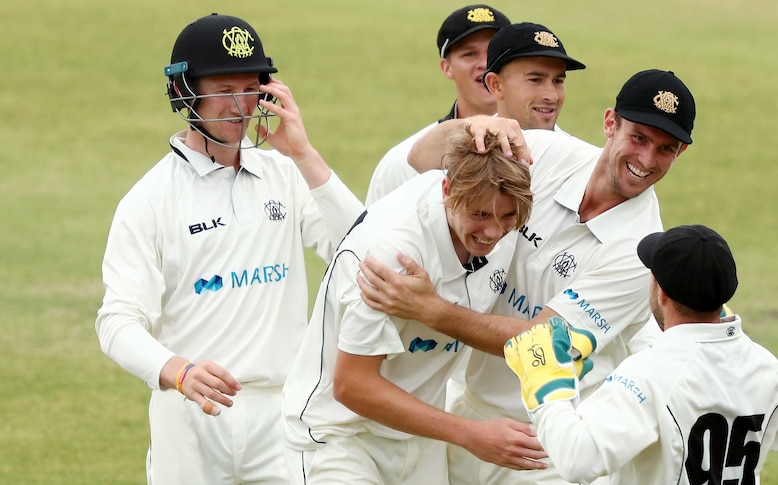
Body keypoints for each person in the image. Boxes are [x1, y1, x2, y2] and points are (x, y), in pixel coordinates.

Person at [358, 69, 696, 484]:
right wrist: (470, 126)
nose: (647, 160)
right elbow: (420, 159)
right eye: (639, 138)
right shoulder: (546, 153)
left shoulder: (641, 250)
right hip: (468, 409)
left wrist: (432, 310)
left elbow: (541, 340)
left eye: (666, 149)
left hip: (546, 446)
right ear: (611, 123)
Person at [93, 13, 364, 485]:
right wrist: (176, 370)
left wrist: (303, 152)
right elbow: (116, 322)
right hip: (189, 414)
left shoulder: (286, 175)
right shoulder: (149, 200)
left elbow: (361, 249)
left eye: (251, 88)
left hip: (282, 413)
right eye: (224, 90)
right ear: (183, 93)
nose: (241, 106)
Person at [281, 130, 539, 483]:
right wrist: (471, 434)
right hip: (340, 436)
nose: (493, 233)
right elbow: (351, 384)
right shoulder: (393, 256)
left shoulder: (500, 228)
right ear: (448, 193)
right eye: (480, 214)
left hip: (420, 435)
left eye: (507, 217)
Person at [504, 224, 778, 484]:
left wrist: (548, 388)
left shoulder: (644, 374)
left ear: (661, 292)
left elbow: (578, 460)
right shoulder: (764, 366)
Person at [365, 4, 510, 205]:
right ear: (447, 68)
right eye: (469, 54)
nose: (485, 63)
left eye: (493, 52)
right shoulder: (401, 162)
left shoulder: (551, 147)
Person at [482, 21, 585, 131]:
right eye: (535, 80)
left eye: (558, 81)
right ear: (496, 85)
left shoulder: (573, 147)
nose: (552, 96)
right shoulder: (469, 145)